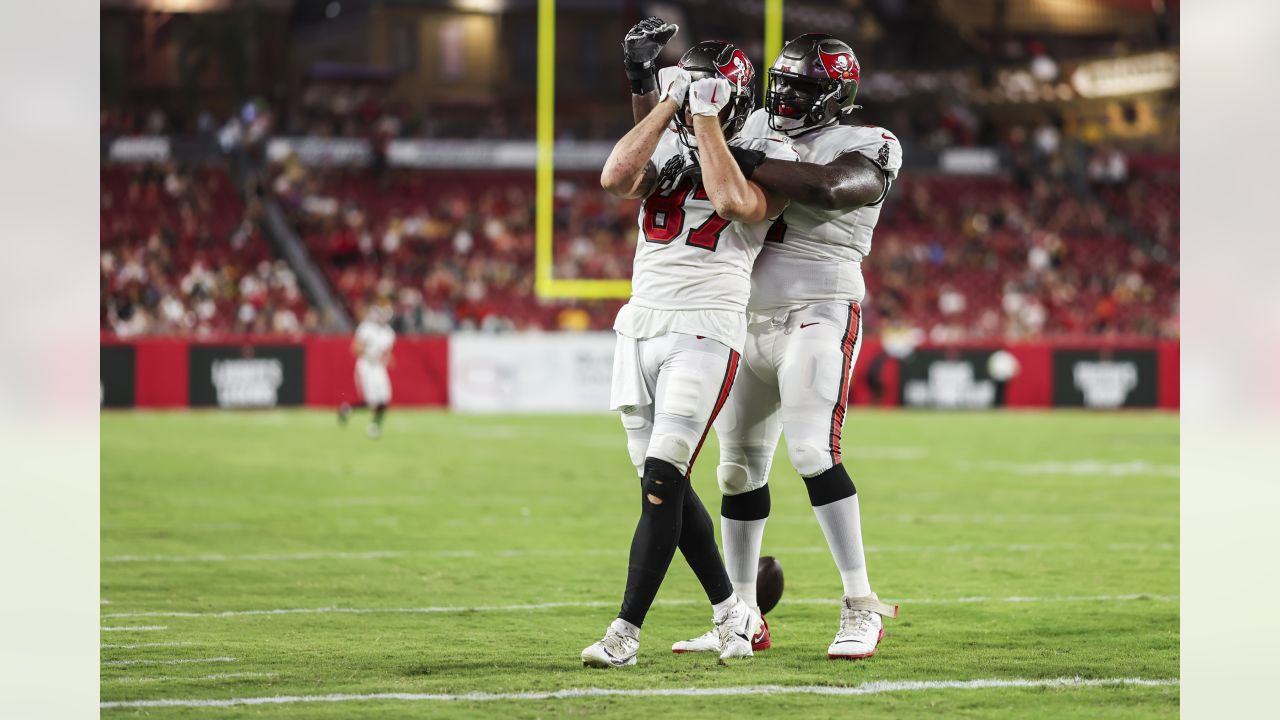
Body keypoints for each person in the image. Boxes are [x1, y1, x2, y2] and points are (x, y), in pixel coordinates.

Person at [627, 24, 902, 660]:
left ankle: (861, 604)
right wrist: (647, 86)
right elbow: (666, 145)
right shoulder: (755, 132)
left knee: (811, 451)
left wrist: (729, 151)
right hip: (745, 317)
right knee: (735, 470)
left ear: (836, 94)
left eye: (801, 89)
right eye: (780, 84)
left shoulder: (869, 142)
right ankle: (742, 617)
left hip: (820, 310)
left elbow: (830, 189)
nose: (785, 98)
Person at [581, 40, 798, 669]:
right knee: (663, 485)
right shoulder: (671, 137)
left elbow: (735, 204)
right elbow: (615, 178)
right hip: (640, 324)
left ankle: (625, 633)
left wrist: (704, 120)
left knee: (661, 479)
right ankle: (734, 615)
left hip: (706, 326)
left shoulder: (767, 154)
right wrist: (665, 99)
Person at [339, 304, 395, 438]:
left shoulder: (389, 333)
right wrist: (370, 354)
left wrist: (387, 359)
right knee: (371, 400)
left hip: (378, 367)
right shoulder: (366, 328)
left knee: (385, 398)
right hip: (366, 365)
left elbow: (386, 354)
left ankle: (374, 424)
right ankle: (349, 410)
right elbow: (355, 349)